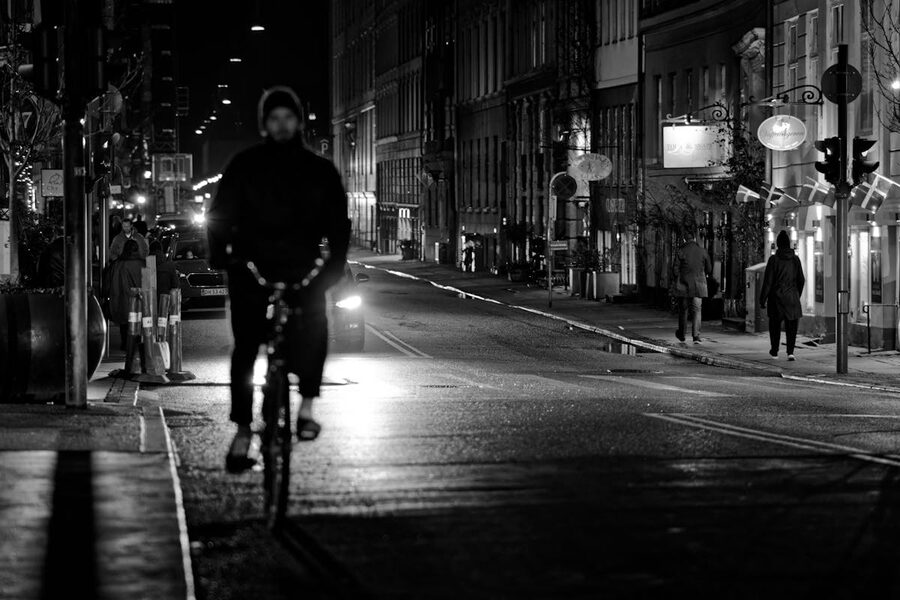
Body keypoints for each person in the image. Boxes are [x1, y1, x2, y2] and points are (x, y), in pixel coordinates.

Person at [207, 86, 350, 473]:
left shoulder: (319, 171)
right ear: (264, 124)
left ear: (298, 121)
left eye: (288, 117)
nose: (282, 125)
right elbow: (219, 216)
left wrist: (330, 271)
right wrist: (224, 259)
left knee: (315, 329)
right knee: (245, 348)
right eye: (274, 118)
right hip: (252, 270)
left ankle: (306, 407)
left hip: (302, 271)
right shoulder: (246, 165)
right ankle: (242, 430)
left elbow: (338, 226)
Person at [760, 230, 805, 361]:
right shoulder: (795, 260)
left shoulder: (773, 260)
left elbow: (768, 282)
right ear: (789, 243)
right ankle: (790, 352)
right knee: (792, 326)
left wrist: (762, 299)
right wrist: (796, 294)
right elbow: (801, 280)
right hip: (792, 298)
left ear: (778, 244)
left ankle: (774, 351)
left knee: (775, 326)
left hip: (776, 299)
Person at [671, 229, 712, 344]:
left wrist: (678, 278)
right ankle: (696, 336)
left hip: (683, 285)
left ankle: (682, 334)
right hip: (699, 285)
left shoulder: (681, 251)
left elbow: (675, 269)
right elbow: (709, 269)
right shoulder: (702, 251)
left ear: (685, 239)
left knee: (683, 310)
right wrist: (702, 274)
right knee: (697, 310)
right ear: (694, 238)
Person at [108, 239, 145, 351]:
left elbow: (111, 283)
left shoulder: (118, 264)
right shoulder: (143, 264)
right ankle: (136, 343)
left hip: (123, 300)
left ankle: (126, 344)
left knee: (124, 324)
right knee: (138, 322)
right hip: (139, 299)